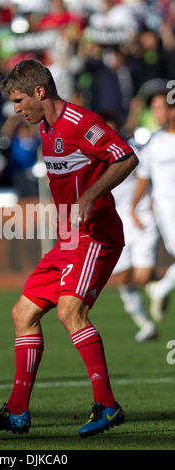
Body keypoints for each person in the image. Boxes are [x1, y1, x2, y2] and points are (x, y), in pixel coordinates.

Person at [0, 59, 138, 438]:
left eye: (20, 99)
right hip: (68, 241)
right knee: (22, 313)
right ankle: (19, 412)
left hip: (96, 236)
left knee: (71, 313)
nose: (16, 108)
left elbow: (126, 156)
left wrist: (91, 194)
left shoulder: (80, 123)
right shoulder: (44, 126)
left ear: (41, 92)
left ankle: (107, 405)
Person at [102, 111, 158, 342]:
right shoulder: (92, 155)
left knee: (143, 276)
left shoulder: (135, 149)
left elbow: (150, 176)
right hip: (115, 222)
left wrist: (149, 201)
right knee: (123, 278)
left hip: (139, 217)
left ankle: (159, 289)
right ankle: (146, 325)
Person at [131, 101, 175, 321]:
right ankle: (161, 289)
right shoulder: (154, 142)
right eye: (156, 109)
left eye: (162, 108)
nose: (159, 113)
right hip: (167, 207)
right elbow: (143, 177)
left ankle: (160, 289)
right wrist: (133, 206)